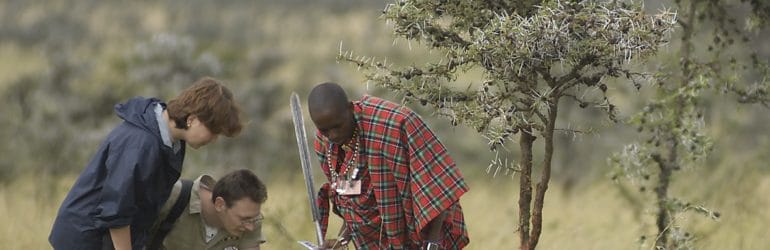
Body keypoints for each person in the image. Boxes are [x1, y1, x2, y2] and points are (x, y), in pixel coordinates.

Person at [49, 77, 244, 250]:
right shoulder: (141, 143)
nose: (214, 139)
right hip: (86, 238)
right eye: (214, 131)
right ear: (192, 119)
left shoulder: (172, 140)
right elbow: (116, 211)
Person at [307, 82, 470, 249]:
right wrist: (340, 242)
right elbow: (353, 203)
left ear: (350, 109)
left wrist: (432, 244)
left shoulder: (395, 125)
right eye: (325, 130)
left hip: (420, 237)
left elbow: (437, 188)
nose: (333, 135)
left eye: (337, 126)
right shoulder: (325, 145)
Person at [149, 169, 268, 250]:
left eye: (254, 218)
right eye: (244, 219)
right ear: (220, 204)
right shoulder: (173, 197)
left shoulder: (250, 219)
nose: (250, 227)